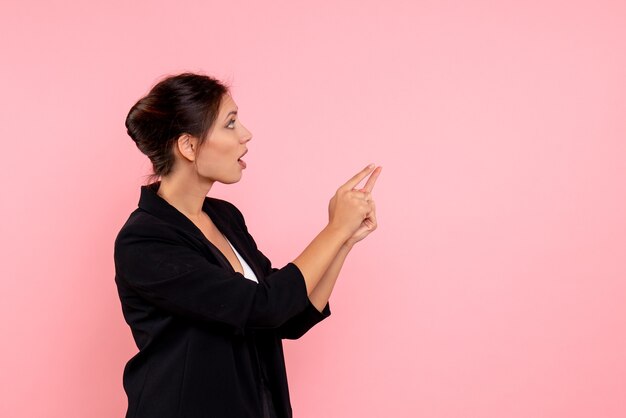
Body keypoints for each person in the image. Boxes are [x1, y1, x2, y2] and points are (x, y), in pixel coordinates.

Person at [114, 72, 382, 418]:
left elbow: (288, 318)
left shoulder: (225, 217)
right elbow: (262, 307)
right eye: (230, 123)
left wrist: (343, 240)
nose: (246, 134)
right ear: (189, 146)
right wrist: (333, 230)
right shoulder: (145, 241)